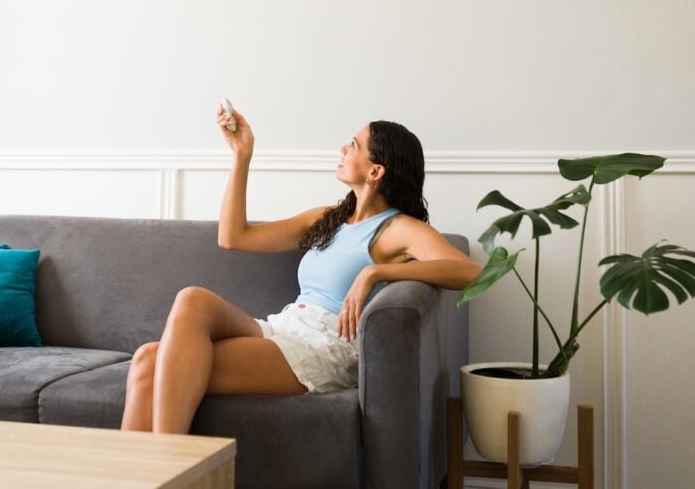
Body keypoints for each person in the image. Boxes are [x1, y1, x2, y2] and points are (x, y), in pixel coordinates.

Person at [120, 107, 480, 434]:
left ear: (375, 171)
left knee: (152, 363)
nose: (342, 148)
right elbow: (234, 237)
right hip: (285, 326)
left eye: (353, 145)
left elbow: (470, 273)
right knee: (173, 324)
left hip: (325, 346)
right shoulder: (329, 218)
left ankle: (172, 467)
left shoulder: (396, 229)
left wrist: (375, 274)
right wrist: (241, 154)